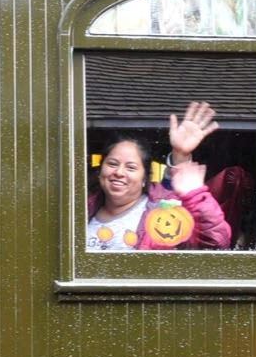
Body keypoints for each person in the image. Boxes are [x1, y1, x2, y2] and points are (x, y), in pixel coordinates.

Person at [86, 101, 231, 251]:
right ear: (100, 170)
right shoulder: (81, 207)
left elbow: (216, 244)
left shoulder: (164, 211)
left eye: (131, 167)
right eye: (112, 164)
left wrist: (181, 157)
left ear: (144, 178)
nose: (119, 172)